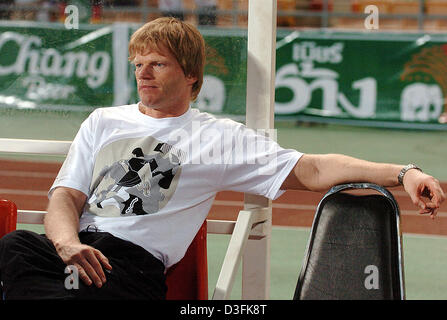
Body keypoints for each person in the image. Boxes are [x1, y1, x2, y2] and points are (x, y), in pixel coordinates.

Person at [0, 17, 445, 300]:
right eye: (138, 64)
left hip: (127, 268)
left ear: (191, 75)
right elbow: (65, 196)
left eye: (157, 64)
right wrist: (65, 243)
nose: (143, 73)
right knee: (13, 246)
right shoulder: (103, 121)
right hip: (66, 252)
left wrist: (403, 172)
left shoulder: (217, 137)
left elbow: (311, 169)